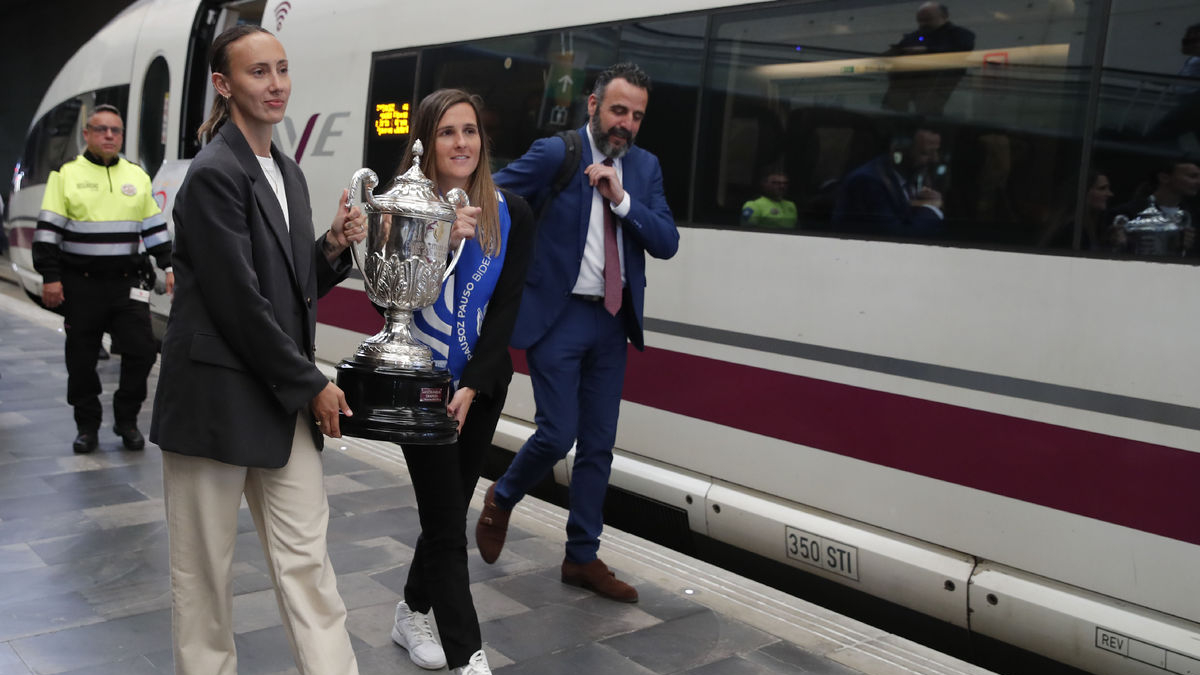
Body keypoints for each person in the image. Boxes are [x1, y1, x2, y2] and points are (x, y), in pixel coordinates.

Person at [148, 25, 366, 675]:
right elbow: (238, 303)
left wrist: (330, 246)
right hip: (215, 404)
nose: (275, 85)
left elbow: (287, 288)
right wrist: (313, 383)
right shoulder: (215, 173)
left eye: (282, 69)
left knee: (310, 568)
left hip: (277, 399)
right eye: (257, 73)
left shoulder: (288, 173)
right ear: (224, 84)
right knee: (205, 580)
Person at [475, 62, 679, 602]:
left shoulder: (645, 168)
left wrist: (622, 200)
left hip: (611, 320)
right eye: (617, 110)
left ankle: (581, 557)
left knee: (598, 445)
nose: (626, 124)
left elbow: (666, 241)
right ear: (593, 105)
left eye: (636, 116)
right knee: (557, 431)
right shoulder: (556, 153)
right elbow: (493, 196)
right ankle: (504, 494)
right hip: (557, 316)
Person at [383, 89, 533, 675]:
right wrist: (441, 237)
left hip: (481, 386)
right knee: (447, 526)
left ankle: (412, 610)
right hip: (419, 384)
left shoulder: (511, 211)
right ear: (426, 142)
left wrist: (472, 382)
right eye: (447, 132)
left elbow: (508, 308)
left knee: (448, 510)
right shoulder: (402, 209)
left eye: (470, 131)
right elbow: (388, 299)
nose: (462, 143)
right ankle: (469, 657)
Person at [32, 104, 174, 454]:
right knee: (81, 360)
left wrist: (169, 266)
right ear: (87, 134)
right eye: (101, 129)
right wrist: (51, 278)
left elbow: (153, 227)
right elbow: (48, 234)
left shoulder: (137, 176)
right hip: (81, 285)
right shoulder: (65, 175)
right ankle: (87, 425)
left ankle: (125, 420)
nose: (109, 136)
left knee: (141, 352)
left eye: (116, 130)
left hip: (127, 284)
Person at [831, 127, 946, 237]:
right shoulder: (867, 182)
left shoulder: (907, 177)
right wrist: (930, 208)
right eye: (925, 153)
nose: (935, 159)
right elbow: (897, 239)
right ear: (899, 151)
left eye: (936, 152)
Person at [881, 2, 976, 116]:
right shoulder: (916, 36)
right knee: (892, 111)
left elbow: (959, 52)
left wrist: (926, 51)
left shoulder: (961, 35)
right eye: (920, 20)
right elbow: (899, 49)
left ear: (944, 17)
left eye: (928, 19)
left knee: (927, 115)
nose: (923, 24)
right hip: (905, 82)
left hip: (935, 83)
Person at [1104, 158, 1200, 256]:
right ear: (1164, 178)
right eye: (1192, 176)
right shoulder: (1126, 213)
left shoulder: (1194, 217)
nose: (1198, 182)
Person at [1038, 171, 1114, 250]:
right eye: (1102, 188)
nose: (1110, 194)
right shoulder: (1073, 230)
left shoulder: (1083, 226)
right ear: (1084, 192)